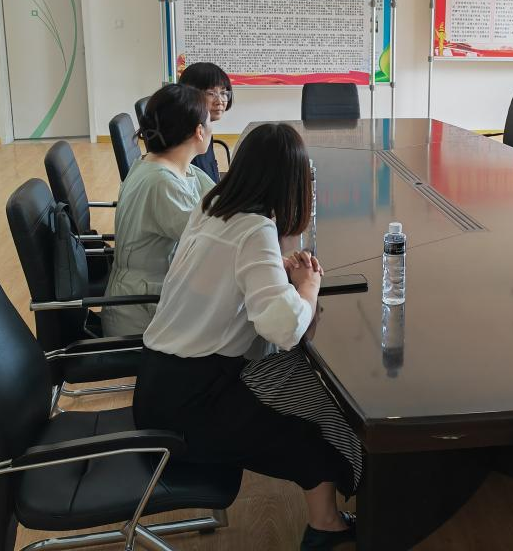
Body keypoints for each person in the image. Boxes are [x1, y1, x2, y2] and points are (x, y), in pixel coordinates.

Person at [133, 123, 359, 549]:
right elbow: (284, 329)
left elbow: (223, 278)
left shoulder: (212, 205)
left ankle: (328, 519)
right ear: (291, 184)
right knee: (316, 416)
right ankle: (331, 525)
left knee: (306, 393)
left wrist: (274, 268)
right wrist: (307, 286)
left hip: (159, 388)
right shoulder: (255, 229)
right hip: (191, 410)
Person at [101, 84, 215, 337]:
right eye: (209, 122)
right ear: (199, 131)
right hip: (143, 313)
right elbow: (211, 242)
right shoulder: (162, 183)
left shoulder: (166, 165)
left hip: (158, 295)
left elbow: (217, 201)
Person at [177, 62, 233, 183]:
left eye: (223, 93)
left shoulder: (204, 128)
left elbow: (211, 175)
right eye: (211, 93)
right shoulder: (189, 139)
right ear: (189, 95)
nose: (220, 101)